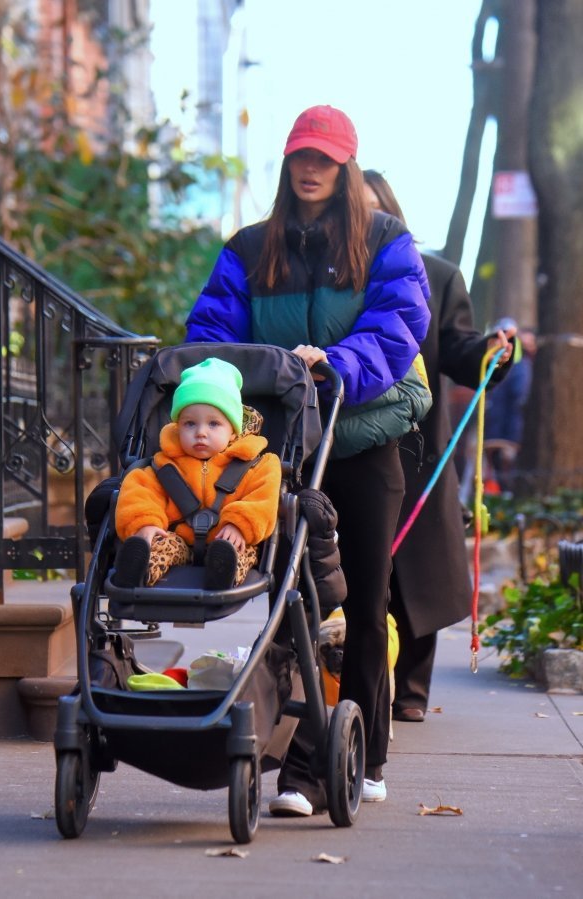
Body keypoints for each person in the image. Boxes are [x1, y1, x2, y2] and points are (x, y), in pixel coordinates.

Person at [185, 105, 431, 814]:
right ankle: (303, 756)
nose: (310, 168)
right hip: (285, 455)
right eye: (301, 155)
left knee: (365, 599)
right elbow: (212, 335)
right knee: (295, 600)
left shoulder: (386, 240)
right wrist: (271, 370)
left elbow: (398, 325)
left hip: (359, 447)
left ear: (346, 166)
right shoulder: (251, 248)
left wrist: (336, 363)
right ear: (288, 162)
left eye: (324, 158)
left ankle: (362, 755)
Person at [363, 169, 514, 722]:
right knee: (359, 573)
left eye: (376, 209)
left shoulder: (438, 277)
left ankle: (410, 693)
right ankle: (356, 683)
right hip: (350, 448)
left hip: (417, 449)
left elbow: (459, 349)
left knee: (416, 575)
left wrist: (493, 353)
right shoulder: (331, 282)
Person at [113, 357, 281, 591]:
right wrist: (145, 524)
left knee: (240, 552)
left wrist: (239, 525)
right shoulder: (165, 464)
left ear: (233, 431)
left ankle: (221, 573)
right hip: (178, 538)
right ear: (177, 426)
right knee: (156, 545)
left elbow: (263, 500)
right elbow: (140, 493)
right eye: (190, 424)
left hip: (229, 538)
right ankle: (135, 570)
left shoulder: (256, 465)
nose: (201, 432)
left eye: (213, 424)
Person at [484, 319, 536, 491]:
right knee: (497, 472)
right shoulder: (493, 363)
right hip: (496, 431)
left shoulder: (520, 367)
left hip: (509, 433)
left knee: (508, 471)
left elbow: (520, 398)